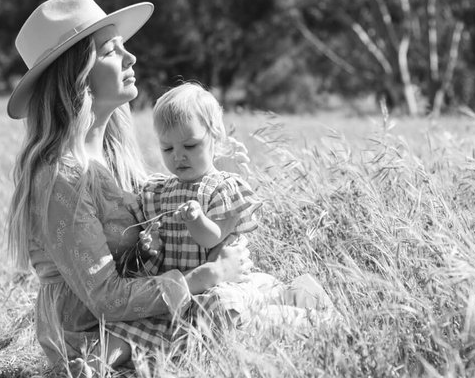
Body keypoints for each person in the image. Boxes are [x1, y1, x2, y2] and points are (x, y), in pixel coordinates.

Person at [5, 0, 252, 378]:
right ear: (78, 72)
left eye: (124, 46)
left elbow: (164, 206)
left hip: (144, 315)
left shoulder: (112, 153)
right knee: (248, 323)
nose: (130, 57)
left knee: (269, 306)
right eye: (110, 51)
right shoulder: (61, 176)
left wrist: (216, 189)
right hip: (92, 336)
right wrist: (204, 277)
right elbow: (103, 298)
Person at [135, 83, 332, 327]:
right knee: (162, 319)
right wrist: (150, 247)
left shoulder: (223, 188)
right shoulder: (160, 191)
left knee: (223, 306)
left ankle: (307, 318)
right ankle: (276, 304)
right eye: (167, 148)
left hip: (223, 282)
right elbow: (160, 246)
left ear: (215, 137)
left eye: (190, 145)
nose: (178, 155)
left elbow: (212, 237)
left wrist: (196, 219)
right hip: (187, 285)